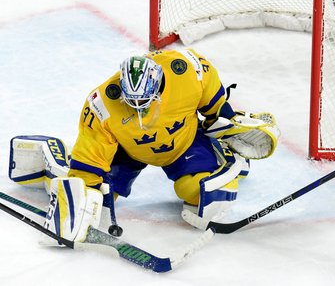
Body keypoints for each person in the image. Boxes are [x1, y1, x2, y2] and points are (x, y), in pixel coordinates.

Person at [32, 48, 279, 243]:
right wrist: (82, 194)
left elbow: (212, 95)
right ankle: (53, 167)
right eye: (133, 100)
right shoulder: (102, 103)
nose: (139, 106)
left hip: (184, 144)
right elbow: (91, 155)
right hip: (128, 151)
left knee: (208, 200)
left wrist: (222, 118)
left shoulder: (186, 70)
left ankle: (224, 153)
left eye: (145, 99)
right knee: (98, 204)